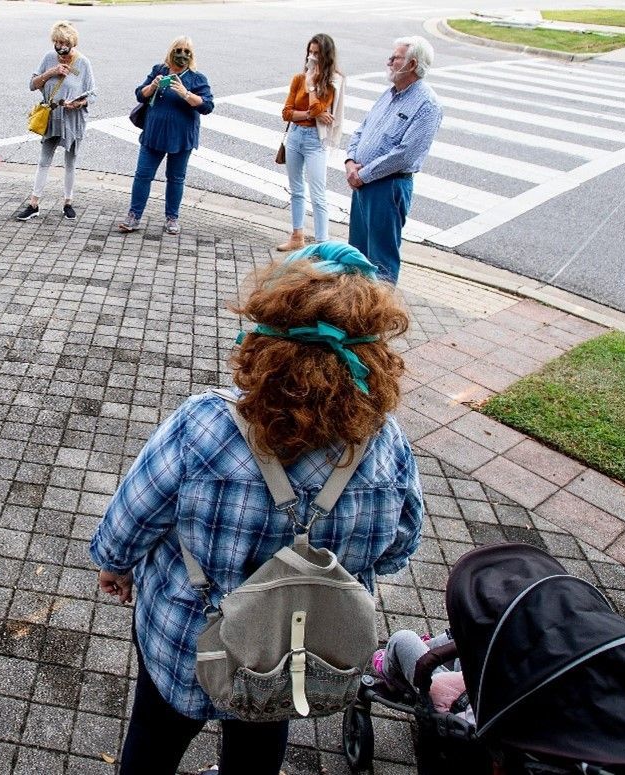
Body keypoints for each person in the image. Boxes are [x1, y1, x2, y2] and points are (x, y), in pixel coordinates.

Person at [89, 242, 424, 775]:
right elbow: (398, 547)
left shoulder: (205, 425)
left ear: (265, 341)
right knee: (259, 747)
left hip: (185, 641)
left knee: (154, 741)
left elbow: (133, 515)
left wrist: (115, 564)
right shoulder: (386, 446)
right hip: (291, 656)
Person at [344, 36, 443, 283]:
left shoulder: (427, 105)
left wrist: (361, 175)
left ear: (412, 64)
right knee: (356, 255)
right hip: (363, 184)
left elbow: (405, 154)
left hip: (387, 187)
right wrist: (350, 161)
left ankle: (377, 317)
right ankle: (354, 311)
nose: (389, 61)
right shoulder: (389, 94)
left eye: (396, 57)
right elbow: (362, 129)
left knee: (381, 261)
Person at [118, 36, 214, 237]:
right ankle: (134, 216)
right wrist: (152, 86)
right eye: (178, 50)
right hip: (154, 134)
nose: (182, 55)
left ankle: (172, 218)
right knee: (143, 175)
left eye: (187, 52)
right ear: (171, 52)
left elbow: (207, 106)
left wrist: (186, 94)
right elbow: (139, 94)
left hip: (181, 137)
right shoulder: (159, 70)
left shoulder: (197, 79)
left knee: (176, 178)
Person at [13, 20, 96, 223]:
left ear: (72, 43)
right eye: (57, 42)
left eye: (64, 43)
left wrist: (77, 103)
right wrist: (52, 71)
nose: (60, 47)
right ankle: (34, 204)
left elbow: (93, 95)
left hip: (73, 117)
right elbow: (32, 84)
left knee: (70, 161)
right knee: (44, 160)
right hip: (52, 114)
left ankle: (68, 202)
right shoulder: (49, 58)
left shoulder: (83, 63)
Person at [277, 33, 345, 252]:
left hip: (316, 140)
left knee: (318, 193)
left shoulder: (333, 81)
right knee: (296, 189)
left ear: (326, 56)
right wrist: (310, 113)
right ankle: (297, 236)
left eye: (317, 53)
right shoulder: (299, 79)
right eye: (310, 52)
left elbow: (319, 109)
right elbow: (287, 113)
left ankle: (322, 244)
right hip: (296, 136)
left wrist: (312, 86)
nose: (312, 57)